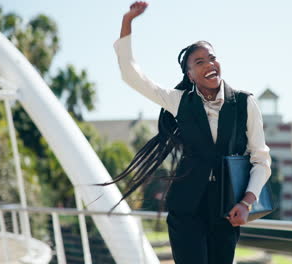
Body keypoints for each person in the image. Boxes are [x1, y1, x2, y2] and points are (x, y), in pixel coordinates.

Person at [112, 2, 271, 263]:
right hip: (185, 208)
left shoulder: (245, 103)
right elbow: (132, 75)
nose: (210, 63)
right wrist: (127, 21)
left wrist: (246, 203)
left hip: (227, 208)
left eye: (212, 57)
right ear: (190, 74)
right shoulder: (178, 101)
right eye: (200, 61)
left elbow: (261, 160)